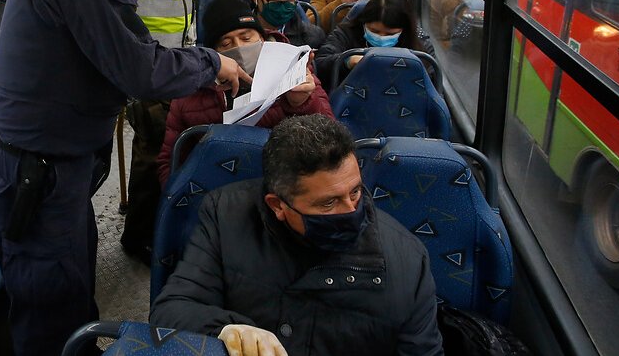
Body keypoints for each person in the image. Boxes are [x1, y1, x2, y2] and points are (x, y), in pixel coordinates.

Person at [0, 0, 249, 356]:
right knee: (47, 299)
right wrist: (212, 63)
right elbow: (139, 68)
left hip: (57, 162)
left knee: (73, 280)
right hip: (34, 168)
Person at [151, 114, 444, 356]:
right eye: (328, 203)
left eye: (355, 192)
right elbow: (170, 310)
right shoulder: (226, 215)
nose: (351, 210)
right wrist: (226, 330)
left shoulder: (406, 259)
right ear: (278, 205)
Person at [156, 0, 334, 187]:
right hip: (217, 191)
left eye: (247, 38)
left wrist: (301, 103)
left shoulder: (294, 72)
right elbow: (171, 161)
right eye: (226, 44)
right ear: (213, 53)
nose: (239, 48)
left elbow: (329, 140)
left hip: (284, 185)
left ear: (262, 38)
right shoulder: (192, 91)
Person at [121, 0, 202, 266]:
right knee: (151, 155)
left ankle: (154, 226)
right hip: (150, 68)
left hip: (177, 63)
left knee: (166, 150)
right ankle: (138, 238)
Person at [315, 0, 434, 91]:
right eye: (374, 31)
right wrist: (347, 61)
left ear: (404, 30)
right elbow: (319, 64)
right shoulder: (347, 33)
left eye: (390, 34)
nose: (381, 37)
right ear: (364, 23)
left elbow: (430, 86)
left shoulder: (420, 45)